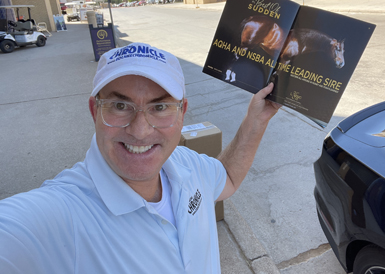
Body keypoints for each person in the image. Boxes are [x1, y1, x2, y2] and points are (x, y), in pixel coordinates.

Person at [0, 43, 281, 274]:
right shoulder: (61, 216)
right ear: (93, 111)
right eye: (120, 106)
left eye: (160, 106)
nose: (140, 129)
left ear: (182, 112)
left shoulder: (185, 164)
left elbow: (227, 179)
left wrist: (256, 120)